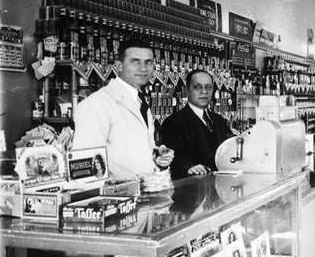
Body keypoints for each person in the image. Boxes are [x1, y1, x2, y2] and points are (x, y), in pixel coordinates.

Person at [72, 39, 174, 180]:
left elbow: (132, 152)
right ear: (119, 66)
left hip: (143, 194)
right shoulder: (97, 103)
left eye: (148, 62)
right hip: (118, 197)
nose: (143, 68)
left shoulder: (140, 102)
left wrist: (157, 156)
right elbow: (85, 164)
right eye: (135, 61)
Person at [160, 69, 233, 179]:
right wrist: (188, 167)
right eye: (198, 87)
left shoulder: (219, 120)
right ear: (187, 90)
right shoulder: (174, 121)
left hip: (221, 187)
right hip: (190, 188)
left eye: (208, 87)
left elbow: (229, 147)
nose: (204, 92)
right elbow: (172, 157)